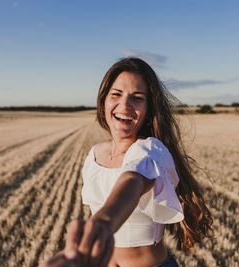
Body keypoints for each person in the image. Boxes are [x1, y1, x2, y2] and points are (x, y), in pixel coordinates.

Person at [41, 57, 213, 267]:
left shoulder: (150, 150)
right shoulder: (94, 155)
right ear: (103, 100)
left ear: (149, 109)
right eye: (116, 94)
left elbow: (132, 182)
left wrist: (104, 223)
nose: (124, 105)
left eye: (137, 98)